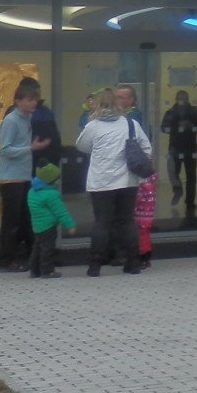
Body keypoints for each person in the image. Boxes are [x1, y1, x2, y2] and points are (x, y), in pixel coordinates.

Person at [76, 88, 152, 275]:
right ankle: (133, 263)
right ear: (117, 104)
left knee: (102, 222)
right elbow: (146, 148)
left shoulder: (92, 126)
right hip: (127, 181)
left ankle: (95, 265)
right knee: (127, 221)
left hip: (101, 182)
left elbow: (82, 146)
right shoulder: (130, 123)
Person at [0, 82, 40, 269]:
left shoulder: (28, 119)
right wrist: (29, 148)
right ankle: (6, 260)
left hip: (25, 175)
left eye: (35, 100)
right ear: (17, 101)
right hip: (11, 178)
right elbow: (5, 150)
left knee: (25, 218)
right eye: (29, 100)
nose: (33, 104)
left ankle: (30, 256)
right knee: (11, 221)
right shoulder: (11, 121)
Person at [116, 85, 156, 270]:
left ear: (132, 100)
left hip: (137, 176)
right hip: (132, 174)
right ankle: (137, 253)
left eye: (123, 97)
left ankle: (140, 254)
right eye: (116, 97)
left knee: (137, 219)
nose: (119, 101)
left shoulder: (132, 118)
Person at [24, 161, 76, 278]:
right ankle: (47, 271)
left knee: (37, 247)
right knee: (47, 249)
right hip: (48, 226)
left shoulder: (32, 191)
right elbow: (61, 211)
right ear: (50, 180)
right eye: (56, 178)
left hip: (37, 225)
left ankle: (34, 270)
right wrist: (70, 225)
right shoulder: (51, 194)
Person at [160, 90, 197, 219]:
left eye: (184, 98)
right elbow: (163, 128)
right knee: (173, 172)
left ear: (188, 98)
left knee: (191, 176)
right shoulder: (171, 112)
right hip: (175, 146)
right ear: (176, 98)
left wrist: (190, 126)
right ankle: (177, 189)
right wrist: (174, 126)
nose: (181, 100)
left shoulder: (194, 111)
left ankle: (190, 202)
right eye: (179, 98)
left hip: (190, 147)